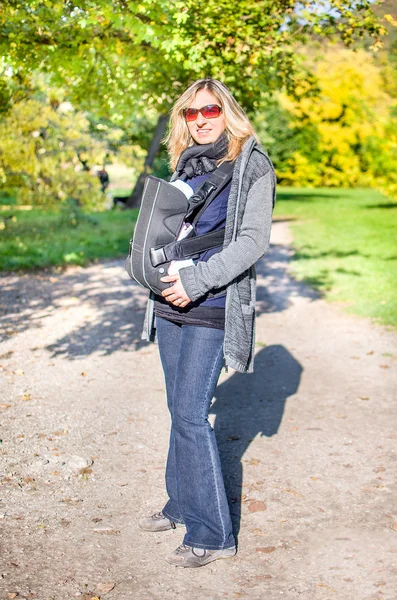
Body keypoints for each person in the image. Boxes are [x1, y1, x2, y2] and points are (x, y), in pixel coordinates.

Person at [139, 78, 276, 568]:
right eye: (191, 113)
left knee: (193, 415)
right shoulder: (185, 164)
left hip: (211, 304)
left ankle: (214, 532)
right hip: (168, 301)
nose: (201, 120)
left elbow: (253, 241)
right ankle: (181, 502)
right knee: (180, 409)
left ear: (227, 112)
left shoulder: (252, 165)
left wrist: (196, 282)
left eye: (210, 110)